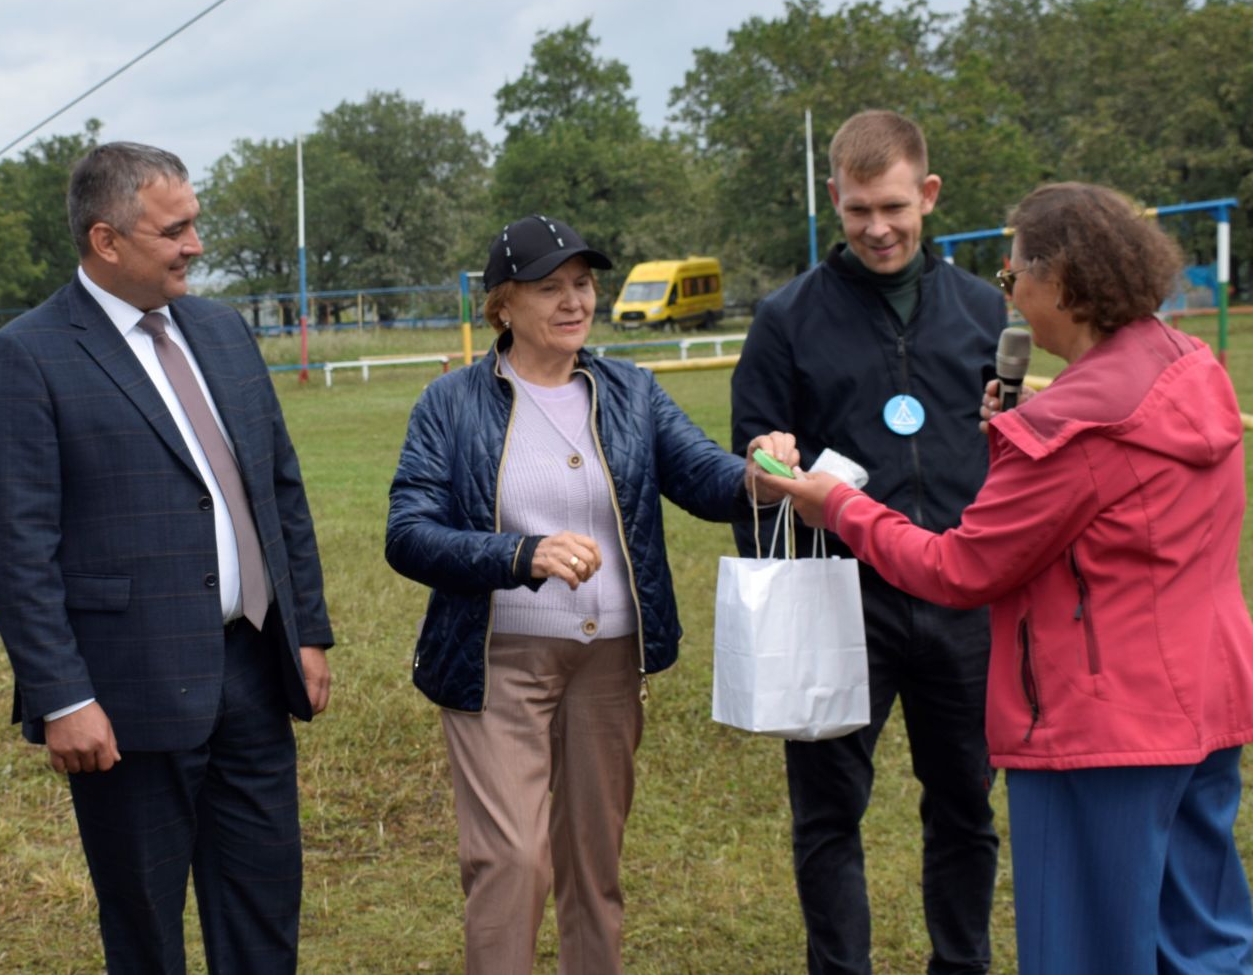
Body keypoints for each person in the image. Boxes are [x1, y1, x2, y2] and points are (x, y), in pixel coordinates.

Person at [759, 180, 1253, 975]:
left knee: (1087, 949)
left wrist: (842, 506)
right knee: (1201, 940)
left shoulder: (1068, 431)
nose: (1012, 293)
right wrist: (1026, 428)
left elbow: (959, 566)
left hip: (1099, 729)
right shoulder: (1190, 367)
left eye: (1013, 274)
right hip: (1206, 701)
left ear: (1060, 281)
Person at [386, 213, 792, 975]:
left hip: (608, 662)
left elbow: (704, 476)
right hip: (494, 660)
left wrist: (756, 473)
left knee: (593, 869)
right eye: (550, 288)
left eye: (582, 283)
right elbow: (407, 533)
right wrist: (519, 553)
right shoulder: (450, 403)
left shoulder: (631, 391)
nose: (575, 301)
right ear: (503, 304)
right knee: (512, 860)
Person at [0, 141, 333, 975]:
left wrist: (304, 631)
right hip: (124, 698)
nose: (195, 244)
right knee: (145, 932)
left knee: (265, 910)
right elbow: (18, 546)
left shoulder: (222, 331)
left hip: (251, 672)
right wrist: (63, 695)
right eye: (176, 230)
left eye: (194, 223)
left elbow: (279, 488)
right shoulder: (24, 357)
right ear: (106, 240)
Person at [730, 109, 1002, 975]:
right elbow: (755, 467)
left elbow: (1021, 455)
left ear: (927, 194)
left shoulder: (985, 310)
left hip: (962, 597)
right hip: (842, 601)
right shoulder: (787, 320)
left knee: (964, 807)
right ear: (835, 203)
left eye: (893, 206)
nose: (877, 228)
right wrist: (768, 464)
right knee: (828, 814)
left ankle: (960, 964)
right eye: (857, 211)